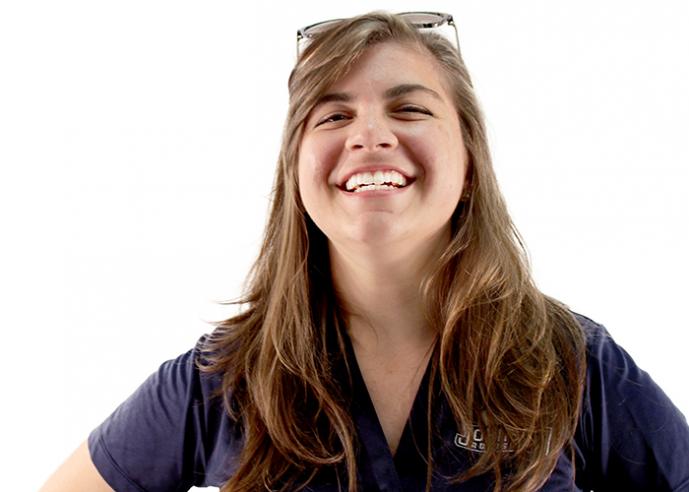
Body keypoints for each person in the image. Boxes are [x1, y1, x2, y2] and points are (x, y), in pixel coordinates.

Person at [40, 11, 689, 492]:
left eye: (409, 110)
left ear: (468, 163)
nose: (370, 135)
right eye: (331, 115)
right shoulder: (216, 383)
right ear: (296, 171)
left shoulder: (573, 366)